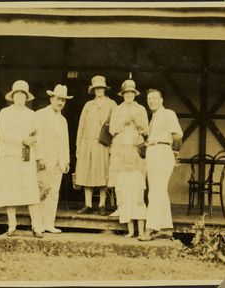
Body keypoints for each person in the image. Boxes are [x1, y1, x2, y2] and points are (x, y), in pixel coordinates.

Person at [0, 80, 44, 238]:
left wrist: (35, 143)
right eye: (17, 93)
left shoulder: (32, 115)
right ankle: (12, 225)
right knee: (10, 191)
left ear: (26, 97)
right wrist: (22, 139)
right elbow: (4, 135)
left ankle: (37, 226)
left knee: (31, 190)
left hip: (26, 157)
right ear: (13, 96)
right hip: (9, 156)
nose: (20, 96)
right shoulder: (5, 113)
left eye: (23, 94)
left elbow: (37, 134)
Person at [138, 88, 183, 241]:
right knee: (160, 191)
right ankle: (166, 228)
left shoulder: (168, 113)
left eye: (154, 98)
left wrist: (174, 154)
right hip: (153, 151)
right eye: (149, 99)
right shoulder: (155, 117)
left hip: (162, 152)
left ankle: (150, 229)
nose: (151, 101)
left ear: (161, 100)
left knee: (155, 192)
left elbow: (177, 136)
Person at [108, 79, 149, 237]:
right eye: (127, 92)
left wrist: (138, 123)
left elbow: (146, 129)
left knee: (136, 178)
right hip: (120, 147)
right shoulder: (117, 109)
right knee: (120, 178)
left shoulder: (141, 109)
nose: (129, 95)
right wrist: (122, 122)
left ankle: (138, 206)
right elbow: (112, 129)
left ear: (135, 94)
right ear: (123, 94)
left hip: (135, 146)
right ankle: (121, 207)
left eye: (132, 92)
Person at [75, 75, 117, 215]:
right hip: (87, 142)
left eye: (101, 88)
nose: (99, 90)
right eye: (96, 88)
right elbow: (81, 126)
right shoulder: (88, 105)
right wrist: (78, 146)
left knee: (102, 173)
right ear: (93, 90)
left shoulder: (112, 105)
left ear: (105, 89)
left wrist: (113, 145)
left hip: (103, 143)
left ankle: (102, 204)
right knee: (87, 173)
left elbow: (116, 126)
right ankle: (88, 204)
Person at [35, 84, 73, 233]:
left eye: (63, 100)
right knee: (42, 191)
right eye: (58, 99)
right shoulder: (40, 114)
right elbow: (36, 137)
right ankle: (37, 224)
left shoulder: (63, 120)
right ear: (51, 98)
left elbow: (65, 141)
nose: (60, 103)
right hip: (45, 160)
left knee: (53, 192)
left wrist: (66, 160)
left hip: (58, 162)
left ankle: (48, 223)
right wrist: (39, 158)